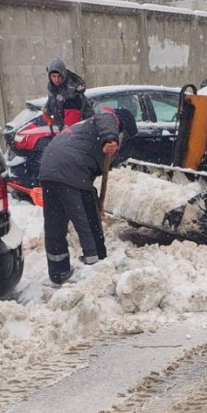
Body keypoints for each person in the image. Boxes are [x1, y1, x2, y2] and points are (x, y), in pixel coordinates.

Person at [39, 106, 138, 287]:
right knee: (88, 220)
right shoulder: (109, 119)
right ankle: (97, 267)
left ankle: (58, 272)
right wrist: (111, 137)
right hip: (70, 168)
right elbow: (106, 117)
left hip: (49, 168)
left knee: (55, 224)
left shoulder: (85, 129)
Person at [43, 58, 93, 132]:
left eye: (59, 76)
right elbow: (52, 103)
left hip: (81, 129)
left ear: (63, 75)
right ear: (50, 76)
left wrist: (65, 132)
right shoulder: (53, 88)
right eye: (54, 76)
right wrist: (47, 111)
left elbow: (71, 123)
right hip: (64, 128)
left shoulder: (71, 91)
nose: (56, 79)